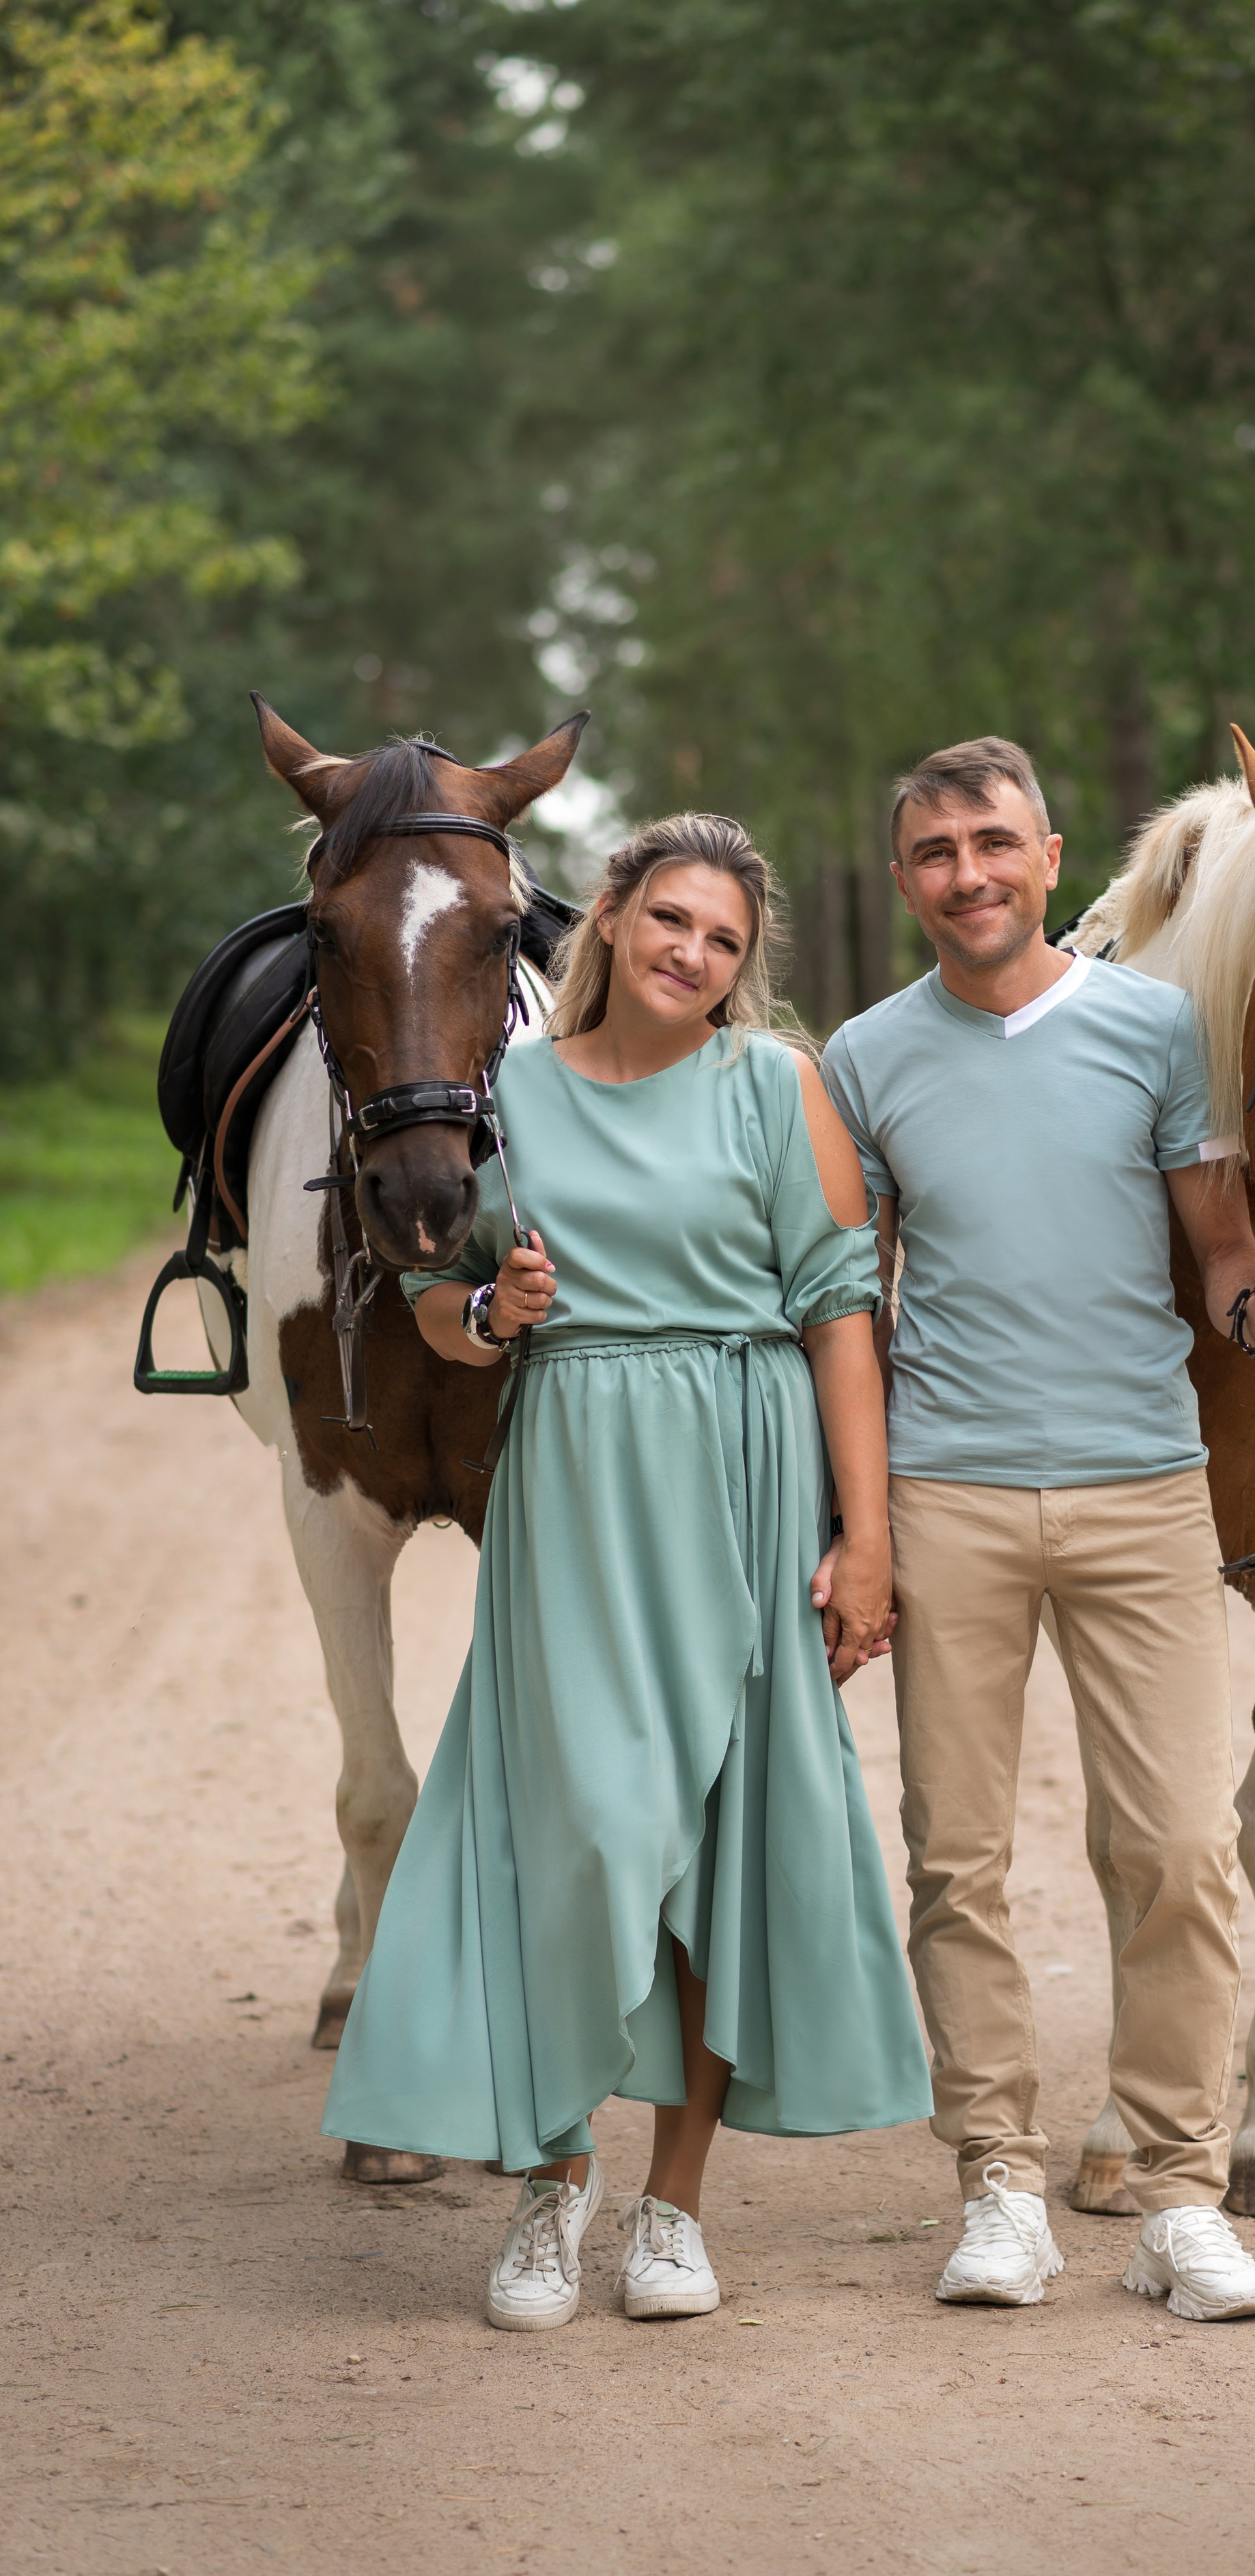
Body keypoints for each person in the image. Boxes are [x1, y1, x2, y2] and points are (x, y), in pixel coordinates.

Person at [322, 812, 931, 2331]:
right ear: (609, 916)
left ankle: (674, 2204)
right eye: (669, 920)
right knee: (579, 1829)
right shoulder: (508, 1090)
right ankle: (548, 2183)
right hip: (578, 1473)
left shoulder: (775, 1087)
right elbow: (436, 1312)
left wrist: (864, 1539)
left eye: (722, 939)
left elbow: (839, 1315)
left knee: (718, 1849)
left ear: (742, 963)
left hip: (743, 1458)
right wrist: (501, 1305)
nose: (692, 954)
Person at [819, 738, 1255, 2319]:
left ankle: (1180, 2197)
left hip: (1139, 1491)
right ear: (903, 876)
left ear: (1050, 856)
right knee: (952, 1861)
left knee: (1177, 1848)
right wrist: (863, 1530)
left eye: (992, 841)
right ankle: (997, 2186)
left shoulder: (1152, 1029)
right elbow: (846, 1300)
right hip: (947, 1496)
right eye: (932, 851)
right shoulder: (859, 1058)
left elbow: (1216, 1251)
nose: (966, 873)